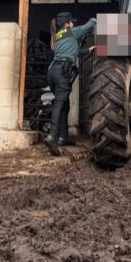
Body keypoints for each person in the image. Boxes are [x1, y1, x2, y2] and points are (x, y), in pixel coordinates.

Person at [43, 12, 96, 156]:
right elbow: (87, 27)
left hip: (52, 71)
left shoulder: (58, 36)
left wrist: (87, 51)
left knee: (64, 104)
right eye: (72, 22)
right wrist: (93, 20)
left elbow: (73, 52)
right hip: (63, 71)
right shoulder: (71, 31)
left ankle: (63, 137)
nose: (73, 24)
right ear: (67, 24)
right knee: (59, 104)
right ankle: (52, 137)